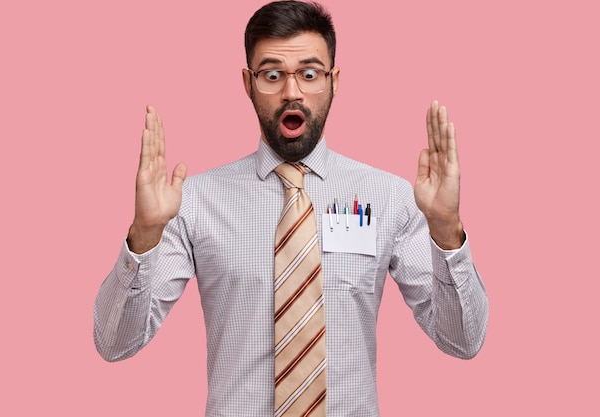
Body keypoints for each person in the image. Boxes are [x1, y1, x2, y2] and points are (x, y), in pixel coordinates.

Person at [93, 1, 488, 416]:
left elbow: (462, 340)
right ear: (248, 83)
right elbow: (115, 343)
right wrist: (144, 236)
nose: (292, 91)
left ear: (334, 82)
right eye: (272, 75)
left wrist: (446, 231)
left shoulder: (390, 197)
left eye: (311, 74)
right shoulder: (192, 202)